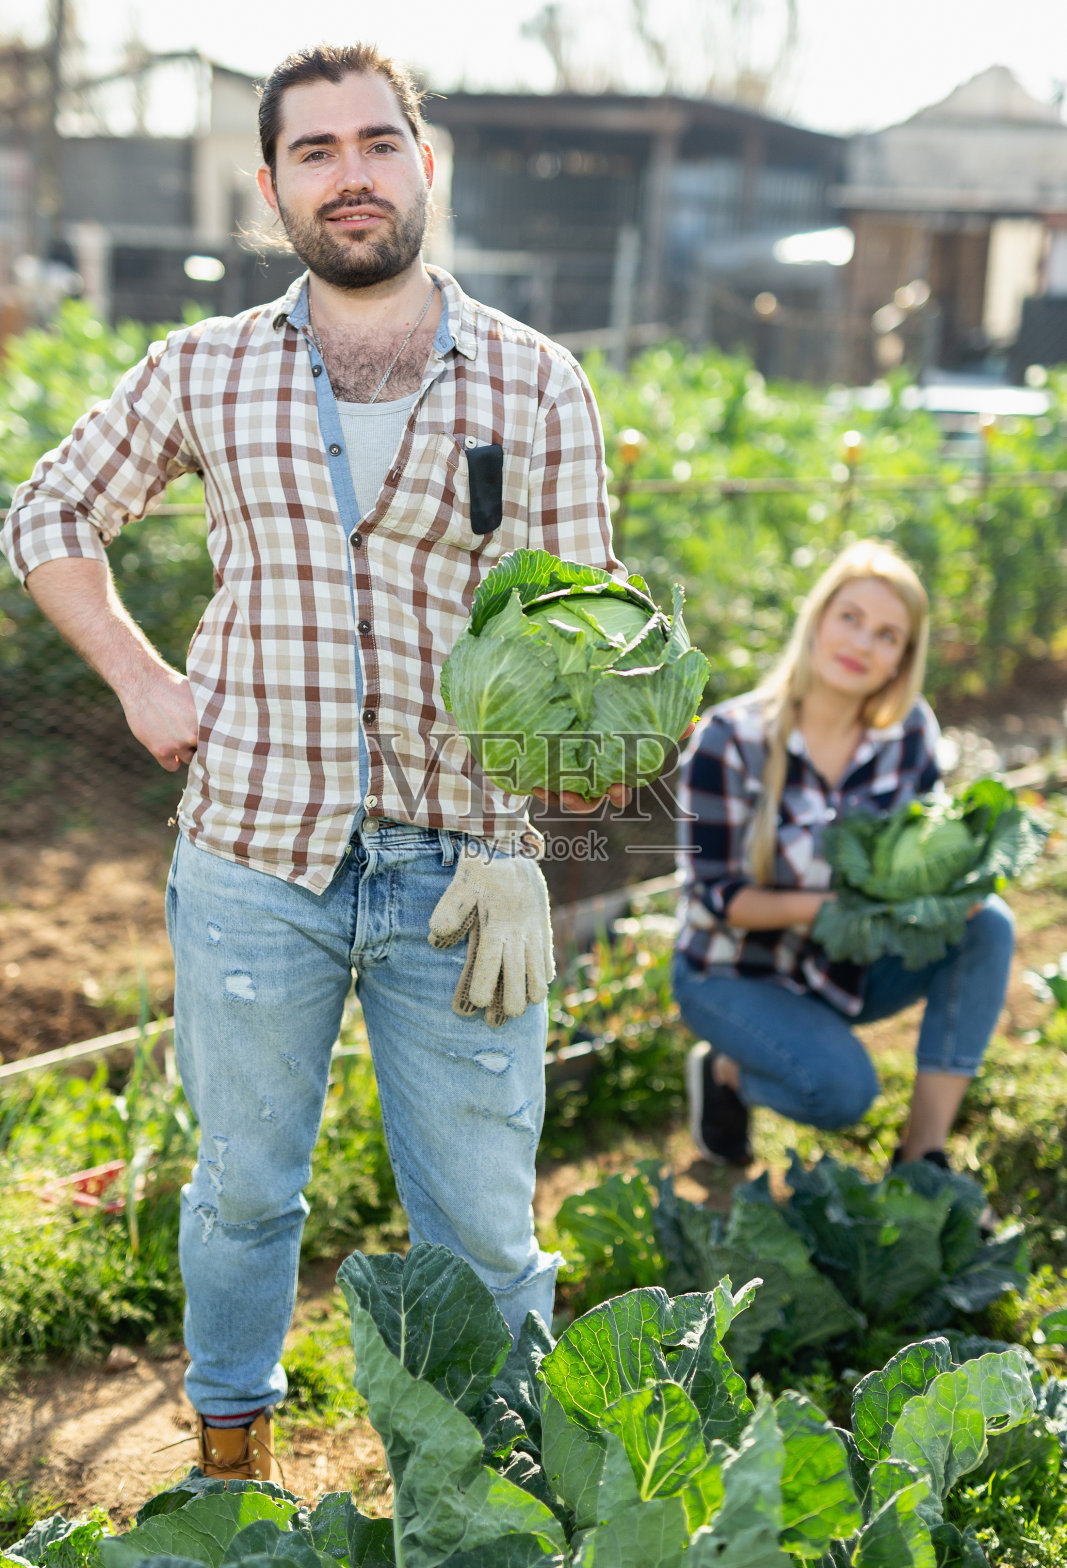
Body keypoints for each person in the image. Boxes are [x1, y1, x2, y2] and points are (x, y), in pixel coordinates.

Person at [2, 43, 626, 1481]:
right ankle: (231, 1461)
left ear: (426, 161)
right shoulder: (203, 369)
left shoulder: (535, 385)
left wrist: (573, 818)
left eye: (376, 142)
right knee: (242, 1191)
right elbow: (47, 516)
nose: (351, 174)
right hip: (250, 861)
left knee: (478, 1214)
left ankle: (498, 1481)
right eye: (315, 151)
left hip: (464, 872)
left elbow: (587, 635)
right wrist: (142, 677)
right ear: (274, 183)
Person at [672, 539, 1014, 1169]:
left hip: (844, 964)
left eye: (887, 635)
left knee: (988, 926)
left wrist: (949, 895)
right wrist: (836, 905)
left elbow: (922, 848)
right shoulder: (730, 739)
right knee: (842, 1093)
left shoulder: (908, 731)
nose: (862, 643)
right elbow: (716, 899)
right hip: (731, 971)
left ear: (901, 660)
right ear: (819, 620)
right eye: (850, 618)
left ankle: (923, 1155)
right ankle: (726, 1074)